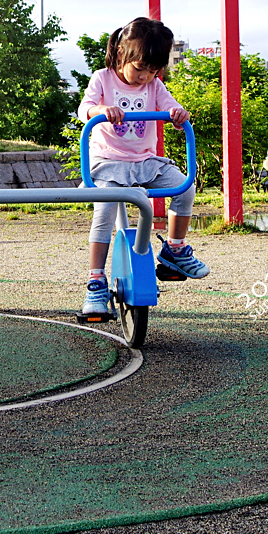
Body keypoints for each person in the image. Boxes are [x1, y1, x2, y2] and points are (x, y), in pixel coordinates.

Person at [77, 17, 209, 320]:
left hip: (146, 163)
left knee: (185, 187)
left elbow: (172, 109)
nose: (144, 77)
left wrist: (177, 114)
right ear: (122, 53)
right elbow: (84, 109)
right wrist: (101, 110)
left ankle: (174, 248)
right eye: (139, 69)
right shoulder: (103, 78)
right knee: (105, 210)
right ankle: (96, 280)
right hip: (108, 162)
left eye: (153, 71)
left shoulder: (154, 85)